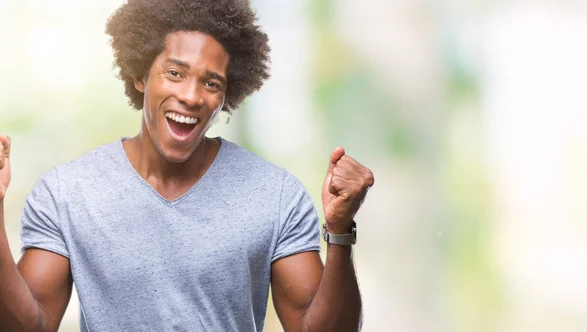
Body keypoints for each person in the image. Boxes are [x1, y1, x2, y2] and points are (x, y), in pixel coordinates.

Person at [0, 0, 374, 331]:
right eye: (175, 73)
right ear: (141, 75)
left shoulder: (276, 196)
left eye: (211, 83)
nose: (192, 96)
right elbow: (27, 326)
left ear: (226, 96)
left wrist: (340, 232)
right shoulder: (67, 193)